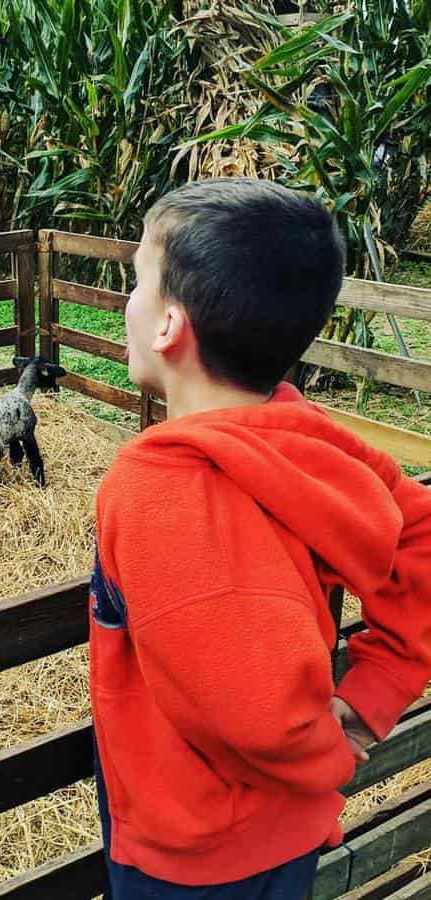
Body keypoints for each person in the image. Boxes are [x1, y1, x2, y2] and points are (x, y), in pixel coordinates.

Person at [90, 177, 431, 899]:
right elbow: (422, 538)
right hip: (288, 838)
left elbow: (261, 715)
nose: (129, 301)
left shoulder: (153, 488)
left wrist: (327, 754)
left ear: (168, 326)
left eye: (137, 281)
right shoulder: (311, 440)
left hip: (192, 860)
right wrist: (372, 695)